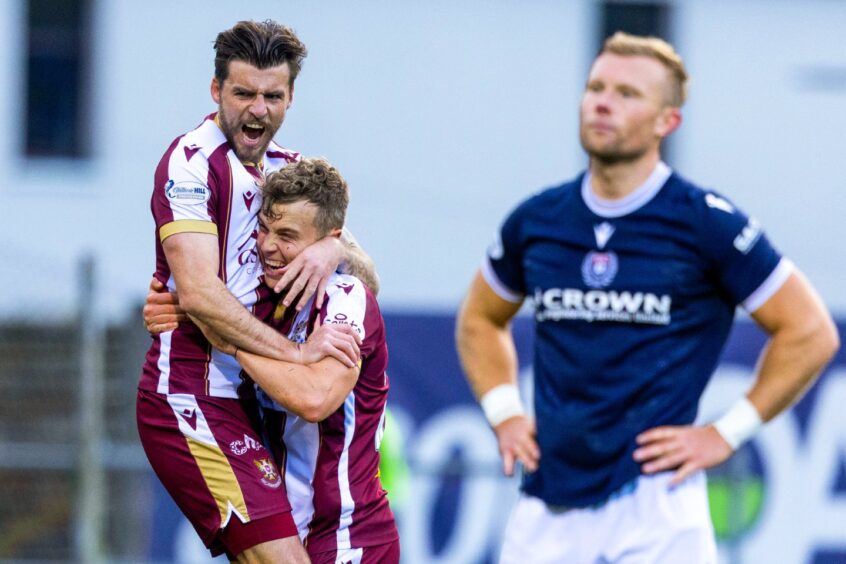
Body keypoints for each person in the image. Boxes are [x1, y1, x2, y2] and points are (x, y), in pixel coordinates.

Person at [455, 32, 839, 563]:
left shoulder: (706, 221)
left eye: (628, 93)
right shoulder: (537, 219)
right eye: (595, 87)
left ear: (668, 122)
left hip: (658, 506)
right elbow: (479, 316)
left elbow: (811, 331)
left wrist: (726, 434)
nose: (603, 102)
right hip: (548, 502)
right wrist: (504, 412)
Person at [137, 20, 377, 562]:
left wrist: (333, 251)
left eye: (272, 95)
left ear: (290, 97)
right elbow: (199, 296)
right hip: (193, 396)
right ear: (216, 90)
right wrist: (296, 353)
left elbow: (368, 276)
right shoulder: (191, 164)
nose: (257, 109)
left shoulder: (291, 173)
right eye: (243, 93)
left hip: (259, 401)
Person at [188, 158, 400, 563]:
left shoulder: (345, 296)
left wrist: (234, 344)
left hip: (348, 538)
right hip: (287, 532)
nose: (268, 246)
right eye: (264, 229)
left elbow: (316, 398)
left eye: (287, 235)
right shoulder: (264, 301)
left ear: (327, 242)